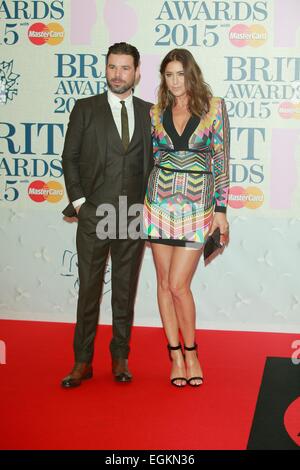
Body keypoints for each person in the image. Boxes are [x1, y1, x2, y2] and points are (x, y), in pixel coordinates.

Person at [61, 42, 153, 387]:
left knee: (125, 291)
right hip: (94, 212)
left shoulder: (148, 112)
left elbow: (156, 164)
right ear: (106, 69)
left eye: (125, 68)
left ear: (137, 72)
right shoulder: (86, 109)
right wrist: (82, 202)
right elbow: (69, 158)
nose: (117, 74)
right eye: (112, 67)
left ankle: (120, 358)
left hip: (132, 213)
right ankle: (82, 361)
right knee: (89, 290)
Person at [144, 49, 230, 387]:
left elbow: (221, 160)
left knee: (179, 285)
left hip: (198, 207)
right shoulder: (156, 113)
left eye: (181, 74)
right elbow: (151, 158)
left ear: (191, 74)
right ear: (163, 78)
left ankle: (192, 351)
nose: (175, 81)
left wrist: (221, 210)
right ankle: (175, 355)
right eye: (169, 75)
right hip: (158, 205)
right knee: (164, 284)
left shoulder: (214, 108)